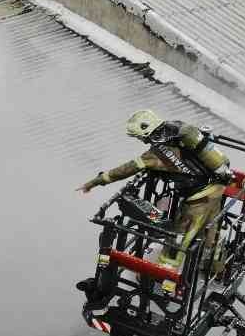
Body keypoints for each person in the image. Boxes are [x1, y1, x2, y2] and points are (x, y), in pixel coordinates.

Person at [78, 110, 231, 284]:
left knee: (176, 240)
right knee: (212, 232)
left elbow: (127, 169)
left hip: (198, 199)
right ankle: (218, 271)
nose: (140, 140)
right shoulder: (180, 128)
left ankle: (162, 281)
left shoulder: (157, 154)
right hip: (217, 188)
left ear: (145, 133)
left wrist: (96, 181)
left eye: (139, 137)